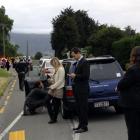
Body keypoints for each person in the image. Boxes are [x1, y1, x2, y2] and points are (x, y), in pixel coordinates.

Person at [117, 46, 140, 140]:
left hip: (133, 106)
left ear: (133, 56)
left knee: (133, 131)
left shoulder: (133, 70)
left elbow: (121, 84)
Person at [68, 47, 90, 133]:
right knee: (79, 108)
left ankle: (84, 126)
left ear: (78, 53)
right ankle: (80, 125)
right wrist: (73, 75)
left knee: (83, 108)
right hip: (77, 89)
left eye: (74, 56)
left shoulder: (85, 62)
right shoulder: (78, 62)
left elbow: (86, 76)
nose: (73, 57)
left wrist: (75, 76)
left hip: (83, 90)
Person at [46, 57, 65, 124]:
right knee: (46, 100)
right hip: (53, 88)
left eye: (52, 64)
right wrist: (50, 80)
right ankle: (52, 116)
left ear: (55, 63)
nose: (52, 66)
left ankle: (54, 118)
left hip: (58, 89)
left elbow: (60, 80)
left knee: (56, 104)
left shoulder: (61, 69)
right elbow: (55, 79)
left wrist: (52, 86)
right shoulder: (56, 69)